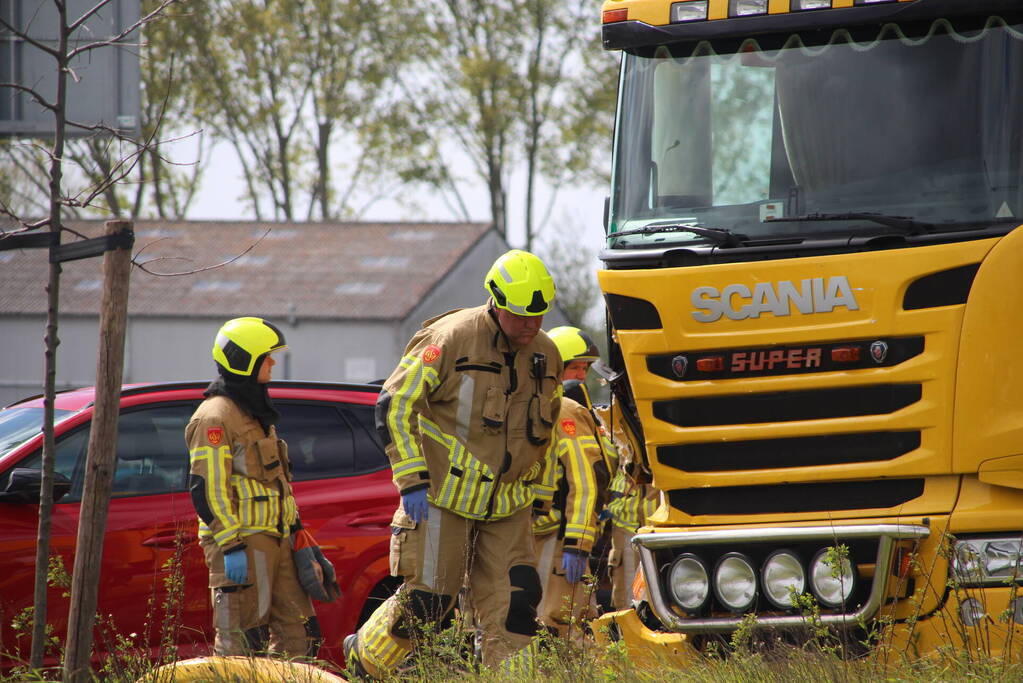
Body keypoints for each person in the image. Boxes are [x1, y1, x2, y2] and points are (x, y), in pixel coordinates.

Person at [344, 249, 564, 678]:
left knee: (517, 606)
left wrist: (541, 496)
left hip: (509, 506)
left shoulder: (547, 354)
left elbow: (548, 431)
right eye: (522, 316)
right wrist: (410, 478)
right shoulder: (450, 338)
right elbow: (395, 404)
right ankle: (365, 660)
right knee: (428, 604)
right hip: (442, 497)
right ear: (496, 302)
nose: (532, 325)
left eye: (539, 315)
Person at [185, 317, 326, 658]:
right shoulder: (214, 417)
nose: (273, 363)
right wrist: (231, 544)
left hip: (278, 540)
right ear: (244, 360)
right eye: (267, 357)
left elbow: (276, 482)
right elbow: (208, 488)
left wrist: (297, 533)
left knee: (301, 636)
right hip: (242, 544)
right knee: (243, 644)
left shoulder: (255, 414)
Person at [532, 326, 614, 642]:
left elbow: (586, 480)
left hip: (557, 537)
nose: (581, 376)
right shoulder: (546, 406)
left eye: (584, 369)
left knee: (560, 623)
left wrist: (576, 545)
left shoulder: (567, 410)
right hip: (532, 535)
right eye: (574, 368)